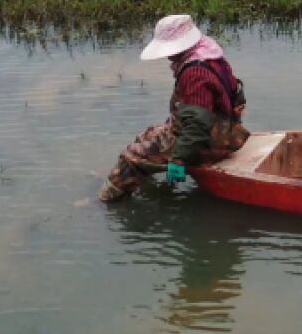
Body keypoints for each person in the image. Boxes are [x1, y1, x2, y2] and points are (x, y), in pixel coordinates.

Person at [98, 14, 250, 203]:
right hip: (229, 132)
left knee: (130, 157)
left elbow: (197, 125)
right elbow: (235, 98)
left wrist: (179, 160)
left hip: (209, 142)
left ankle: (107, 201)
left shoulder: (194, 73)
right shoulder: (211, 55)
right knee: (149, 135)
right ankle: (146, 180)